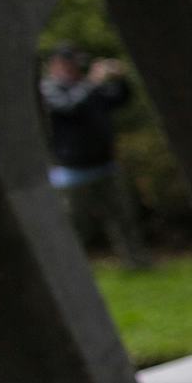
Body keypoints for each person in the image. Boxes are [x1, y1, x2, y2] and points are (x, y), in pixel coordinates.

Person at [40, 44, 152, 267]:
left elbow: (120, 100)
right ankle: (65, 266)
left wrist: (120, 79)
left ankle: (136, 262)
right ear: (57, 64)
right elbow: (68, 107)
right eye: (70, 63)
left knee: (123, 217)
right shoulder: (50, 88)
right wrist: (92, 81)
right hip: (73, 169)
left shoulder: (87, 86)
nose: (76, 67)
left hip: (105, 163)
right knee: (75, 223)